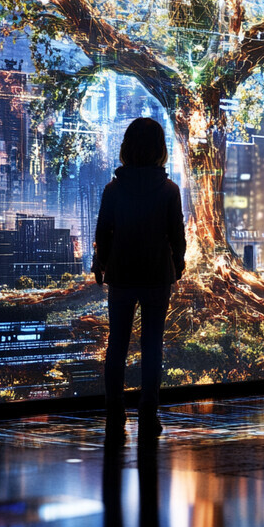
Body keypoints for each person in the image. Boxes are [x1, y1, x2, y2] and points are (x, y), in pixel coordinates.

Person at [94, 117, 186, 442]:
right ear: (160, 150)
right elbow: (177, 234)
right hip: (157, 275)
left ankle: (114, 413)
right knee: (152, 346)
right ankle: (149, 412)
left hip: (121, 274)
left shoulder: (113, 189)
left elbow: (103, 232)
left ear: (126, 148)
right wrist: (178, 262)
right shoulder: (169, 190)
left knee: (116, 345)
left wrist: (101, 264)